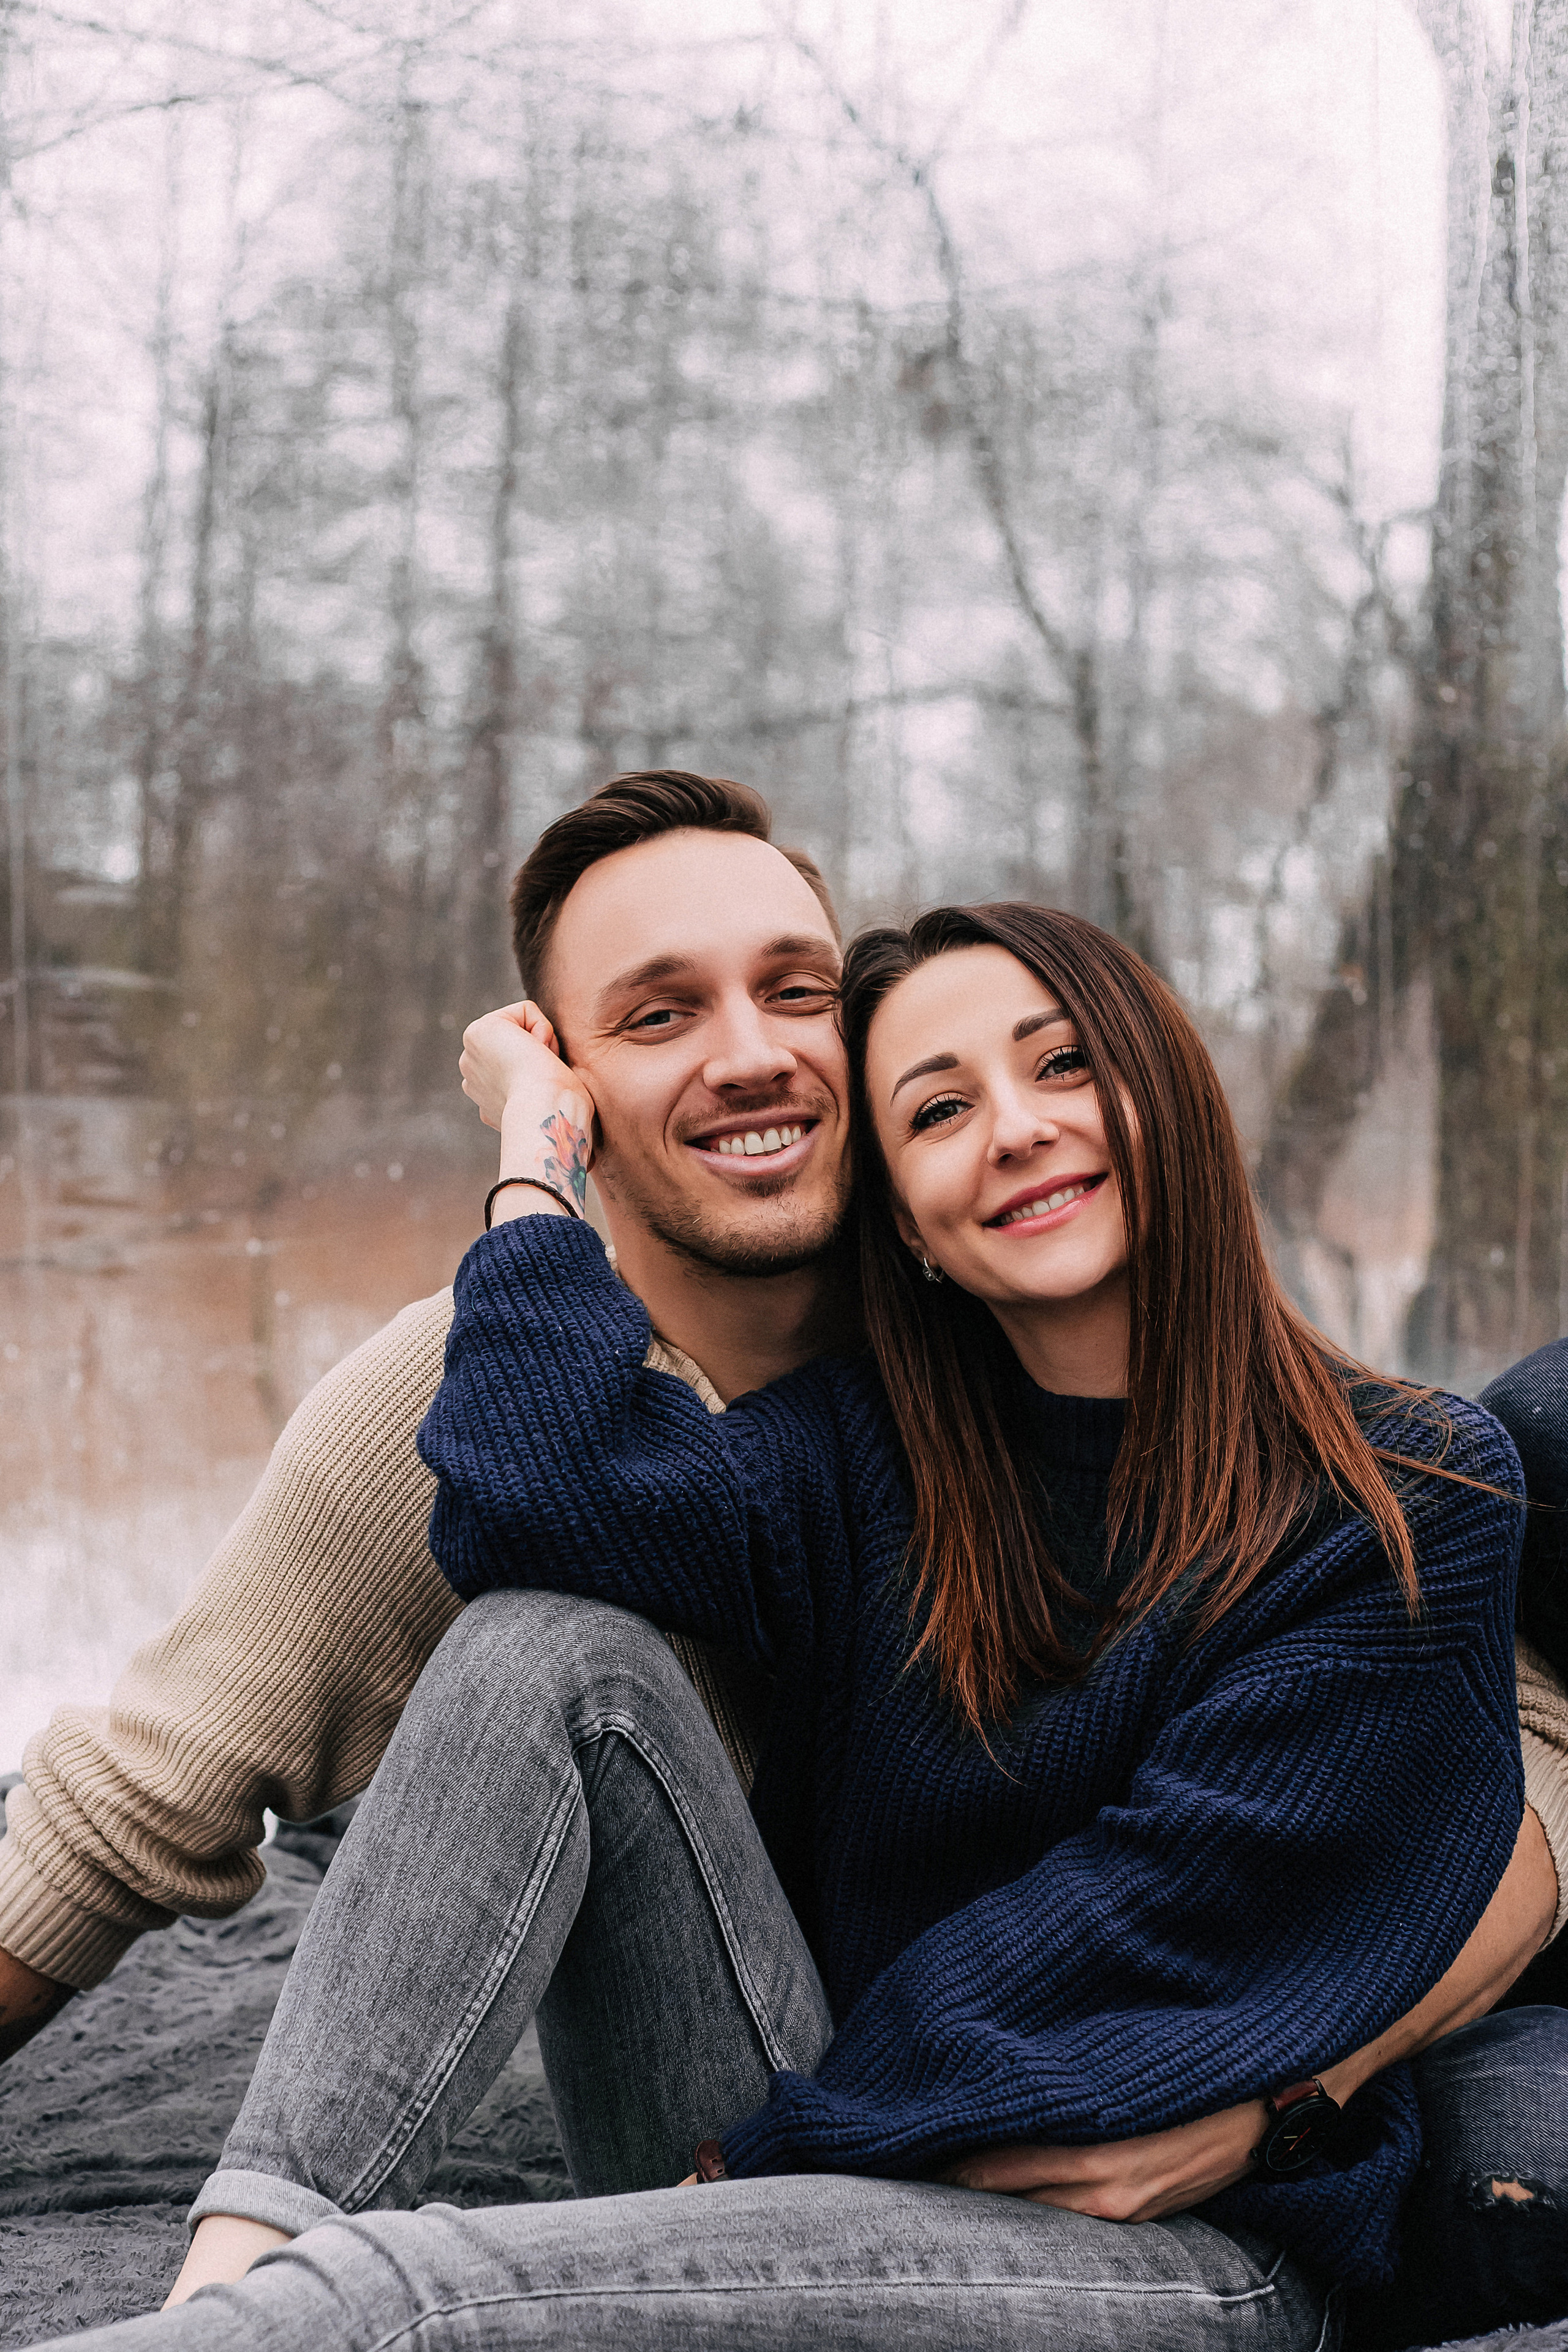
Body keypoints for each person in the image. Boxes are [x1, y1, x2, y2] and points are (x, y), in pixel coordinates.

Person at [46, 901, 1567, 2351]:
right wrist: (535, 1161)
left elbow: (1134, 1945)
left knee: (407, 2304)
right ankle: (243, 2249)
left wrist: (770, 2161)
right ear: (899, 1220)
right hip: (825, 2143)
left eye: (1059, 1064)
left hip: (1169, 2239)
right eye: (936, 1109)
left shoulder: (1405, 1493)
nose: (1017, 1128)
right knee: (548, 1640)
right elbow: (530, 1499)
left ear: (1166, 1092)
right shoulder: (864, 1455)